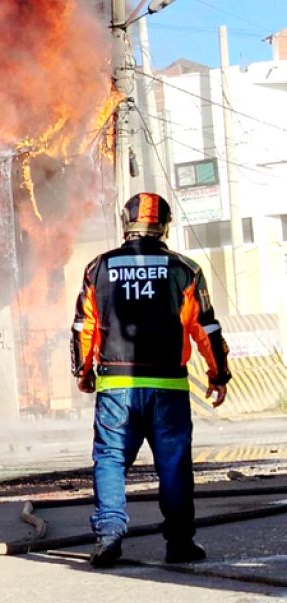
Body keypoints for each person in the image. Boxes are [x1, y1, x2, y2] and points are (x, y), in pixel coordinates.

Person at [70, 192, 232, 568]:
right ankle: (179, 543)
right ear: (165, 226)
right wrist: (218, 373)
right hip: (168, 389)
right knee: (173, 465)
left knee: (110, 459)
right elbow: (204, 327)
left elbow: (85, 325)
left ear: (125, 224)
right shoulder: (184, 269)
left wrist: (83, 371)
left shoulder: (99, 267)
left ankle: (109, 536)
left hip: (115, 387)